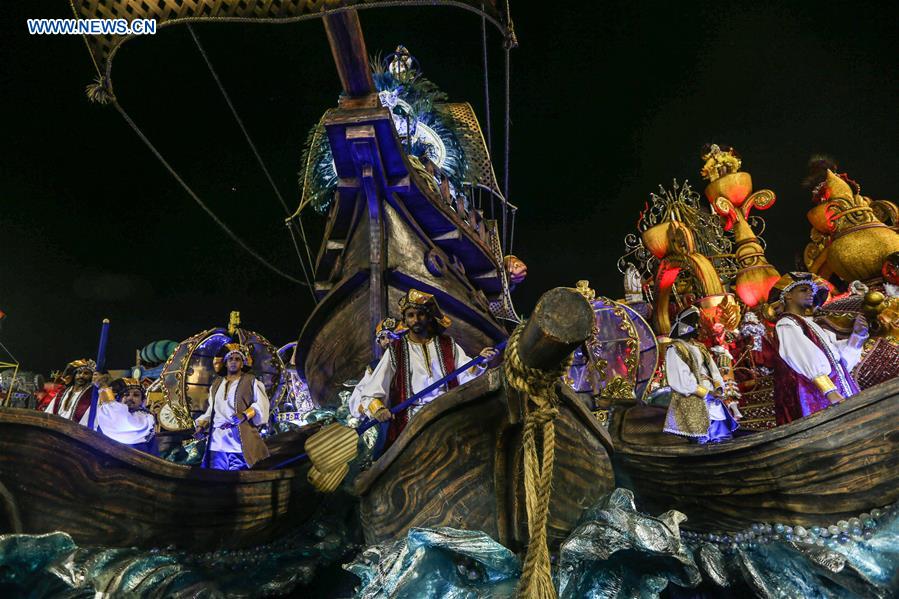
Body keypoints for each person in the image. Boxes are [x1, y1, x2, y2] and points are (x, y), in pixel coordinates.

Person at [352, 289, 497, 445]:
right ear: (405, 320)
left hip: (448, 411)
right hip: (412, 419)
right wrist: (378, 409)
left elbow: (466, 373)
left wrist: (480, 361)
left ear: (428, 317)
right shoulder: (396, 349)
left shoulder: (447, 344)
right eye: (411, 315)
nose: (416, 319)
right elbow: (371, 391)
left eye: (420, 314)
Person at [772, 272, 868, 424]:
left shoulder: (812, 324)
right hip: (820, 397)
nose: (810, 293)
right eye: (803, 290)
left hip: (842, 390)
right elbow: (804, 357)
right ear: (788, 295)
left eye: (812, 291)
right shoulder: (786, 324)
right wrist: (831, 392)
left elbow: (838, 361)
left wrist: (857, 336)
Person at [663, 306, 740, 443]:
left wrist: (718, 387)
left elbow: (713, 369)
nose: (697, 327)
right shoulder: (675, 349)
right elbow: (682, 381)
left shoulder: (700, 347)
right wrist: (707, 392)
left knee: (722, 433)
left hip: (711, 395)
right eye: (693, 324)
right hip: (693, 399)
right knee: (702, 437)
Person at [194, 343, 270, 470]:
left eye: (237, 359)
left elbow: (261, 405)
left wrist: (245, 415)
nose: (233, 362)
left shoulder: (252, 382)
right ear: (225, 362)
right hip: (217, 443)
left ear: (242, 363)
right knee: (216, 479)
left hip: (239, 441)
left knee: (237, 479)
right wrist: (201, 426)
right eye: (230, 359)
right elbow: (211, 411)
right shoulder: (216, 384)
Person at [82, 376, 158, 455]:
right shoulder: (106, 415)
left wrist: (103, 388)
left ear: (142, 401)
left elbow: (121, 420)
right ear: (120, 398)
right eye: (126, 394)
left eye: (136, 395)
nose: (130, 398)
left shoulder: (146, 418)